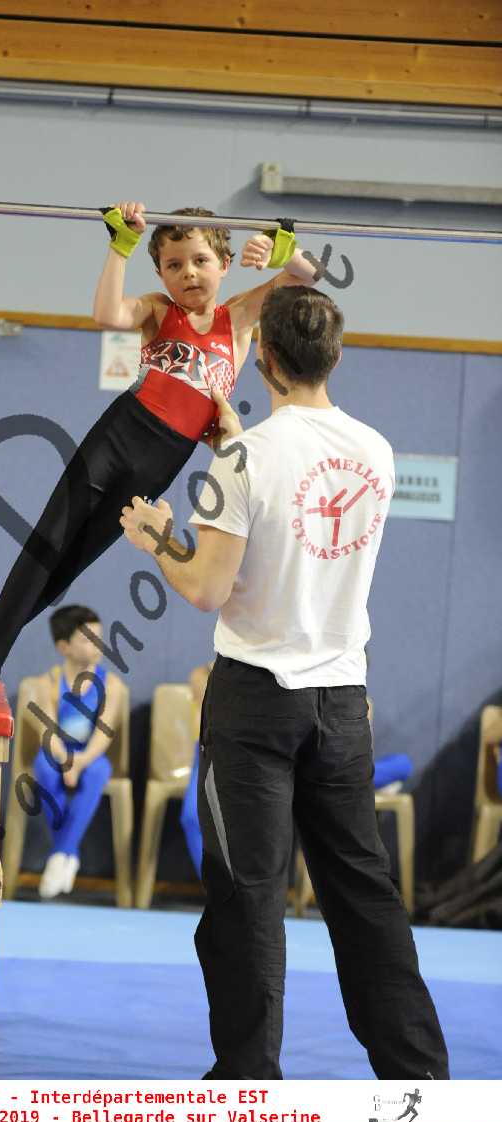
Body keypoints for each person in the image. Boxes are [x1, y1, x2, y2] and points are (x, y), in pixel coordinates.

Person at [120, 265, 449, 1080]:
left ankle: (248, 1074)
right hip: (341, 700)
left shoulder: (243, 460)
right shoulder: (373, 450)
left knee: (247, 891)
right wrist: (238, 444)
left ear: (261, 356)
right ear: (332, 356)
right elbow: (300, 495)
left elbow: (205, 588)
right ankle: (416, 1071)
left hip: (257, 702)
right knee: (361, 890)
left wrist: (156, 537)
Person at [0, 204, 319, 696]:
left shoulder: (240, 317)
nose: (189, 273)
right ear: (160, 274)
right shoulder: (159, 311)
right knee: (45, 546)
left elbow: (308, 274)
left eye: (200, 261)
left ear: (225, 264)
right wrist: (120, 248)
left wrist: (280, 252)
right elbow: (106, 314)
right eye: (175, 265)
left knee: (66, 567)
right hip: (116, 435)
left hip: (161, 459)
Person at [25, 605, 124, 899]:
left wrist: (81, 762)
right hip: (57, 752)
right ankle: (68, 853)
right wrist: (65, 759)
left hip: (90, 754)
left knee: (98, 771)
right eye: (86, 639)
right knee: (45, 769)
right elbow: (47, 731)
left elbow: (104, 733)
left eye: (99, 637)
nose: (96, 644)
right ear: (63, 647)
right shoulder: (48, 683)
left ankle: (60, 853)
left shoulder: (112, 684)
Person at [180, 661, 214, 878]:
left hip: (251, 754)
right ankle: (217, 889)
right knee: (192, 815)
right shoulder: (201, 676)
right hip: (207, 752)